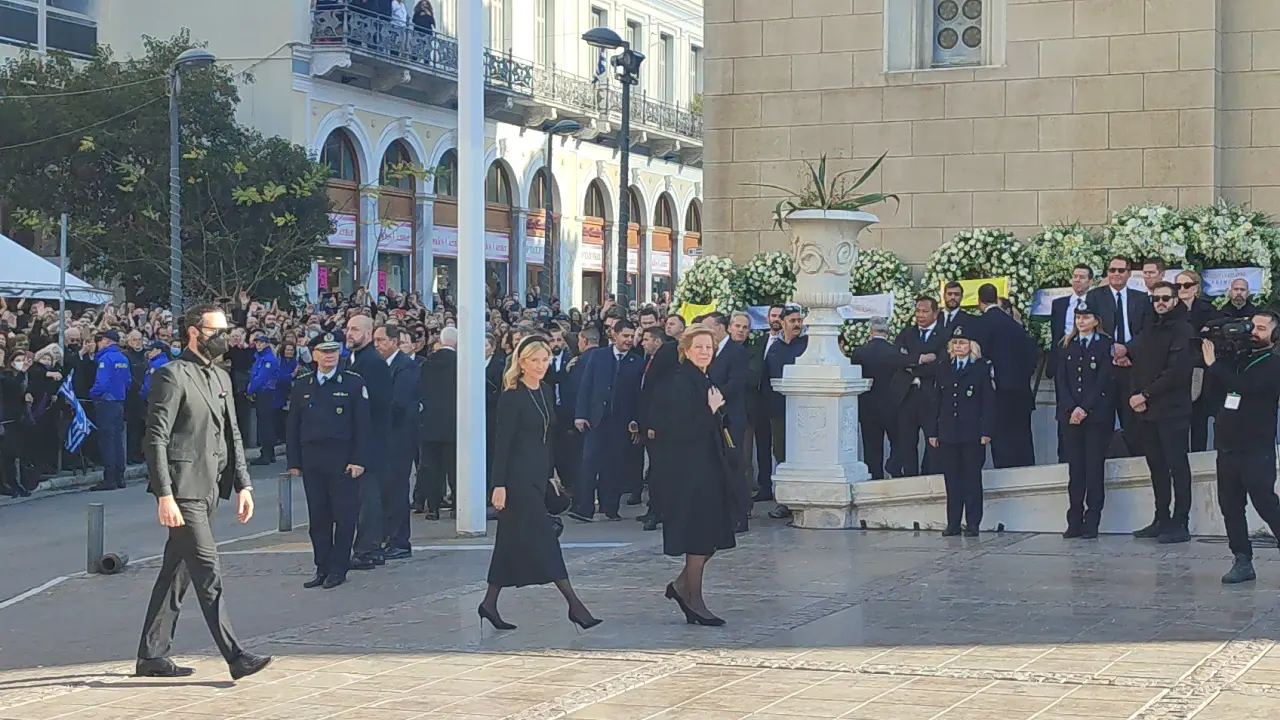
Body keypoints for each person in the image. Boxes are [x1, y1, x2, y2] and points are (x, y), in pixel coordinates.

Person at [136, 303, 271, 681]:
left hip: (212, 485)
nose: (225, 338)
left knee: (176, 572)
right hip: (183, 490)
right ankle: (235, 656)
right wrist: (165, 494)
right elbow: (156, 440)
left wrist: (243, 483)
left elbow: (234, 434)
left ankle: (151, 655)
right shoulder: (171, 375)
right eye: (217, 331)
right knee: (207, 568)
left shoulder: (222, 378)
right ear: (195, 332)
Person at [480, 335, 601, 632]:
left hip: (537, 475)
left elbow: (548, 439)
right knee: (545, 539)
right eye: (535, 360)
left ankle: (489, 603)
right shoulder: (512, 396)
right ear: (521, 362)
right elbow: (502, 443)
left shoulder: (546, 391)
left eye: (545, 360)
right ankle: (575, 605)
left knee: (508, 543)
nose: (541, 366)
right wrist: (498, 485)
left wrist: (551, 475)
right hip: (516, 479)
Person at [653, 324, 737, 626]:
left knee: (713, 532)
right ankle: (694, 600)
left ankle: (680, 587)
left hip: (708, 465)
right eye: (699, 347)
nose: (704, 352)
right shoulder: (681, 382)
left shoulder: (703, 377)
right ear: (686, 350)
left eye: (709, 347)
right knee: (699, 536)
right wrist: (712, 410)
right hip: (688, 469)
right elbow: (681, 428)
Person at [287, 330, 371, 590]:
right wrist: (294, 462)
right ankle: (321, 566)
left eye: (334, 351)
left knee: (344, 517)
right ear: (314, 355)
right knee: (319, 517)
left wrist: (359, 460)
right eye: (324, 352)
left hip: (342, 460)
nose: (330, 356)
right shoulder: (302, 384)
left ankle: (339, 568)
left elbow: (363, 426)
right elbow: (293, 426)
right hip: (313, 460)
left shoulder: (352, 383)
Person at [1203, 310, 1280, 584]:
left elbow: (1245, 386)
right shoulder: (1235, 359)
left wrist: (1214, 365)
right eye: (1252, 326)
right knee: (1230, 505)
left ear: (1274, 335)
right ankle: (1242, 560)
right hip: (1227, 445)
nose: (1254, 332)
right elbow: (1217, 390)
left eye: (1261, 328)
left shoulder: (1273, 364)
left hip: (1256, 446)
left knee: (1264, 501)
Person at [1122, 281, 1195, 544]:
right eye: (1156, 299)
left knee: (1177, 466)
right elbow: (1138, 364)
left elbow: (1177, 372)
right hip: (1148, 410)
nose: (1160, 303)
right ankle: (1161, 518)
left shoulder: (1183, 329)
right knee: (1156, 466)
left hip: (1172, 410)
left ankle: (1181, 521)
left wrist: (1146, 394)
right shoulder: (1149, 328)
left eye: (1165, 298)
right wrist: (1136, 396)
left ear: (1176, 300)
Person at [570, 319, 643, 522]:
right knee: (589, 463)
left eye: (631, 336)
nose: (629, 340)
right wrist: (580, 414)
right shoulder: (598, 356)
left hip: (621, 421)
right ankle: (584, 507)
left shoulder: (636, 362)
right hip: (596, 419)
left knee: (614, 465)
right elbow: (586, 386)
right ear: (615, 335)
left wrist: (636, 420)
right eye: (625, 336)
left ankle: (610, 506)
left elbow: (639, 394)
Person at [927, 325, 995, 537]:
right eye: (955, 343)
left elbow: (989, 403)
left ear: (971, 346)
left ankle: (973, 522)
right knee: (952, 480)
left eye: (962, 343)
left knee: (972, 479)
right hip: (948, 432)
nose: (958, 347)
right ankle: (953, 522)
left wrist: (986, 431)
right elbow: (937, 401)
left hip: (972, 432)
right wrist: (933, 431)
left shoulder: (981, 368)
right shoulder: (944, 367)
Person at [1055, 302, 1113, 539]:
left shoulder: (1103, 345)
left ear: (1095, 321)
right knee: (1075, 469)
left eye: (1086, 317)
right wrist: (1072, 408)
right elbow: (1062, 379)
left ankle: (1092, 520)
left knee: (1093, 468)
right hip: (1071, 416)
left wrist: (1084, 408)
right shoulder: (1067, 345)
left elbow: (1103, 380)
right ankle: (1074, 518)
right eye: (1078, 317)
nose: (1081, 322)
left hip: (1095, 415)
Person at [1087, 256, 1152, 456]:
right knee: (1103, 417)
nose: (1116, 274)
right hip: (1105, 366)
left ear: (1129, 274)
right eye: (1112, 270)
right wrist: (1112, 350)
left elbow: (1147, 331)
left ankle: (1136, 458)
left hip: (1132, 366)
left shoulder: (1141, 298)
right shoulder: (1095, 297)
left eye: (1121, 270)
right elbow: (1090, 326)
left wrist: (1127, 349)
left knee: (1132, 418)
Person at [971, 283, 1037, 469]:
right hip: (1021, 389)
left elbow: (978, 356)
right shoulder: (1016, 325)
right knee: (1022, 434)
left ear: (979, 301)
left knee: (1001, 435)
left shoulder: (982, 324)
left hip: (997, 388)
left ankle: (1005, 468)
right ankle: (1026, 468)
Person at [346, 315, 393, 569]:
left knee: (368, 497)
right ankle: (367, 546)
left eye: (355, 329)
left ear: (367, 333)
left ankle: (368, 549)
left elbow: (376, 405)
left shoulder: (373, 363)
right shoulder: (353, 360)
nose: (349, 333)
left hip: (370, 440)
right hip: (357, 439)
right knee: (361, 497)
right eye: (348, 329)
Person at [703, 312, 750, 532]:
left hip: (730, 417)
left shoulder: (736, 352)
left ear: (720, 328)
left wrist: (714, 396)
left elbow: (736, 383)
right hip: (711, 417)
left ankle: (739, 515)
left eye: (708, 328)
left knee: (734, 466)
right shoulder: (707, 351)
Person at [376, 324, 420, 558]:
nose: (377, 345)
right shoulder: (383, 365)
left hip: (399, 435)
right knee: (384, 488)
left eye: (381, 340)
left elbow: (399, 402)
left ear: (393, 341)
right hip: (385, 436)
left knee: (396, 488)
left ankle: (400, 541)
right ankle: (386, 535)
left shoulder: (405, 365)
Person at [851, 317, 912, 480]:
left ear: (871, 331)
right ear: (887, 331)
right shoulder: (895, 352)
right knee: (898, 441)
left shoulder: (859, 353)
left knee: (872, 447)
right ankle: (895, 468)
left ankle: (874, 478)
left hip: (868, 406)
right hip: (893, 404)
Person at [891, 297, 945, 477]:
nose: (920, 316)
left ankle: (929, 478)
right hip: (907, 395)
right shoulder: (907, 333)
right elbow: (896, 358)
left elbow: (940, 364)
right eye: (917, 312)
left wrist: (911, 366)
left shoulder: (945, 334)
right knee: (906, 442)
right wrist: (920, 359)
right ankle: (910, 478)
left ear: (935, 313)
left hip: (931, 397)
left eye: (924, 311)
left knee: (933, 442)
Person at [1174, 270, 1222, 453]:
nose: (1182, 289)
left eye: (1186, 285)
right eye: (1178, 286)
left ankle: (1199, 456)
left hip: (1202, 368)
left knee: (1199, 417)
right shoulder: (1170, 309)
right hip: (1177, 368)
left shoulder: (1208, 309)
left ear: (1196, 288)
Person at [419, 326, 459, 520]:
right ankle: (457, 506)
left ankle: (433, 507)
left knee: (431, 467)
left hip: (430, 421)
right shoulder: (460, 363)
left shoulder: (427, 363)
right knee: (453, 466)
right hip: (453, 421)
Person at [89, 329, 131, 491]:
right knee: (117, 440)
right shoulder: (123, 358)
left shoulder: (105, 358)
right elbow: (128, 380)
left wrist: (92, 394)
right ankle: (120, 476)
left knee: (107, 441)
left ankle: (110, 477)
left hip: (106, 402)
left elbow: (102, 383)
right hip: (119, 401)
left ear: (105, 341)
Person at [748, 304, 782, 501]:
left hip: (778, 402)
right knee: (762, 446)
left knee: (779, 447)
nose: (776, 319)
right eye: (773, 315)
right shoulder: (761, 341)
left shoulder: (791, 342)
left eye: (779, 316)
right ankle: (764, 486)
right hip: (760, 402)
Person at [0, 349, 32, 498]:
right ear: (12, 362)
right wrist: (22, 373)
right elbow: (11, 389)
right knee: (7, 454)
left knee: (14, 454)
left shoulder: (24, 377)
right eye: (18, 360)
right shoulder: (6, 376)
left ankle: (15, 482)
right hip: (7, 418)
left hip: (19, 419)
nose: (22, 363)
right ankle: (7, 483)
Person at [246, 333, 280, 466]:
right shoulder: (259, 357)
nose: (258, 345)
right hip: (263, 393)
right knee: (266, 423)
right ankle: (269, 453)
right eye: (257, 342)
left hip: (267, 393)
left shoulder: (268, 359)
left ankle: (266, 454)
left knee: (266, 424)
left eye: (261, 342)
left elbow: (261, 378)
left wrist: (250, 390)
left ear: (266, 343)